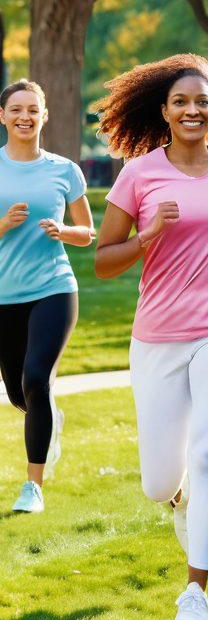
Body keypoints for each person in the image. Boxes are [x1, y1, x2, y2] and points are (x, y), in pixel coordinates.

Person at [94, 55, 208, 620]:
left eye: (202, 101)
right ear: (165, 112)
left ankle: (195, 594)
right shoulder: (139, 175)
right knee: (159, 483)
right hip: (158, 338)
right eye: (181, 102)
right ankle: (179, 500)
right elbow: (103, 261)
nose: (192, 110)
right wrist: (149, 235)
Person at [0, 80, 94, 513]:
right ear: (3, 116)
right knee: (21, 393)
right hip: (4, 296)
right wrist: (3, 225)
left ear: (44, 116)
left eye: (33, 110)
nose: (25, 117)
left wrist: (64, 231)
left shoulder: (64, 170)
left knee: (36, 377)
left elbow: (87, 232)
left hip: (53, 288)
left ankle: (32, 488)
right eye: (16, 109)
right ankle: (47, 414)